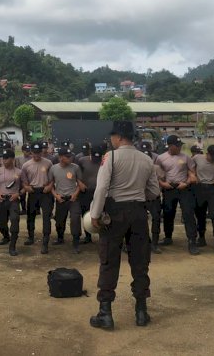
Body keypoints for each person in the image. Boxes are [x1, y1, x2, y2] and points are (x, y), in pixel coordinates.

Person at [89, 121, 160, 330]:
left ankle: (105, 313)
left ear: (119, 136)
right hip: (138, 213)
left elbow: (101, 188)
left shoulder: (110, 158)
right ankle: (141, 311)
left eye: (112, 137)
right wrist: (136, 196)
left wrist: (95, 214)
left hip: (114, 213)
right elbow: (154, 192)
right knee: (139, 262)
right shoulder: (146, 159)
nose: (111, 140)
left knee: (109, 261)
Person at [155, 135, 199, 254]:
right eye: (177, 145)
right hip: (169, 188)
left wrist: (187, 182)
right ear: (169, 146)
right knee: (168, 213)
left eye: (180, 145)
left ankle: (192, 241)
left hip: (183, 187)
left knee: (188, 213)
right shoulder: (160, 158)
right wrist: (163, 184)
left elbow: (192, 173)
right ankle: (168, 237)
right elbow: (157, 175)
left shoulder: (186, 158)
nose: (179, 147)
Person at [50, 147, 85, 253]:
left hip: (73, 198)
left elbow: (80, 183)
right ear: (60, 157)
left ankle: (76, 242)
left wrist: (75, 194)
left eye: (70, 156)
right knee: (60, 220)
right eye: (67, 157)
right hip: (60, 198)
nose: (70, 158)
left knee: (75, 219)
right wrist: (55, 195)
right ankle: (60, 238)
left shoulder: (75, 168)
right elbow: (51, 185)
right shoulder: (53, 169)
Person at [0, 149, 25, 256]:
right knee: (1, 222)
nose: (4, 161)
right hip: (1, 199)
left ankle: (13, 245)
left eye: (7, 158)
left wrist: (18, 194)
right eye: (3, 158)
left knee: (15, 220)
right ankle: (6, 236)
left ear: (12, 159)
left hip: (13, 200)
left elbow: (25, 187)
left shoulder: (19, 172)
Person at [192, 145, 214, 255]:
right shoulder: (197, 158)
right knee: (200, 215)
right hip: (199, 188)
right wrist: (194, 176)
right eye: (212, 157)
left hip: (212, 189)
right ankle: (201, 238)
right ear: (207, 153)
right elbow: (191, 169)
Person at [22, 143, 54, 253]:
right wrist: (27, 187)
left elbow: (52, 178)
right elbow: (24, 181)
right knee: (31, 215)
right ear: (31, 152)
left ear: (41, 152)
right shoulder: (26, 165)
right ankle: (31, 236)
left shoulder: (48, 163)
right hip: (33, 191)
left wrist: (50, 186)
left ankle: (45, 241)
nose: (36, 155)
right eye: (34, 152)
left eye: (38, 152)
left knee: (46, 216)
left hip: (45, 192)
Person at [79, 145, 103, 245]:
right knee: (85, 213)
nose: (96, 159)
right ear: (90, 154)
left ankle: (102, 236)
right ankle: (87, 236)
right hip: (86, 192)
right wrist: (80, 183)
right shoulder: (81, 161)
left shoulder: (105, 161)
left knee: (101, 213)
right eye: (94, 157)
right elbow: (76, 174)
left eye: (98, 158)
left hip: (99, 192)